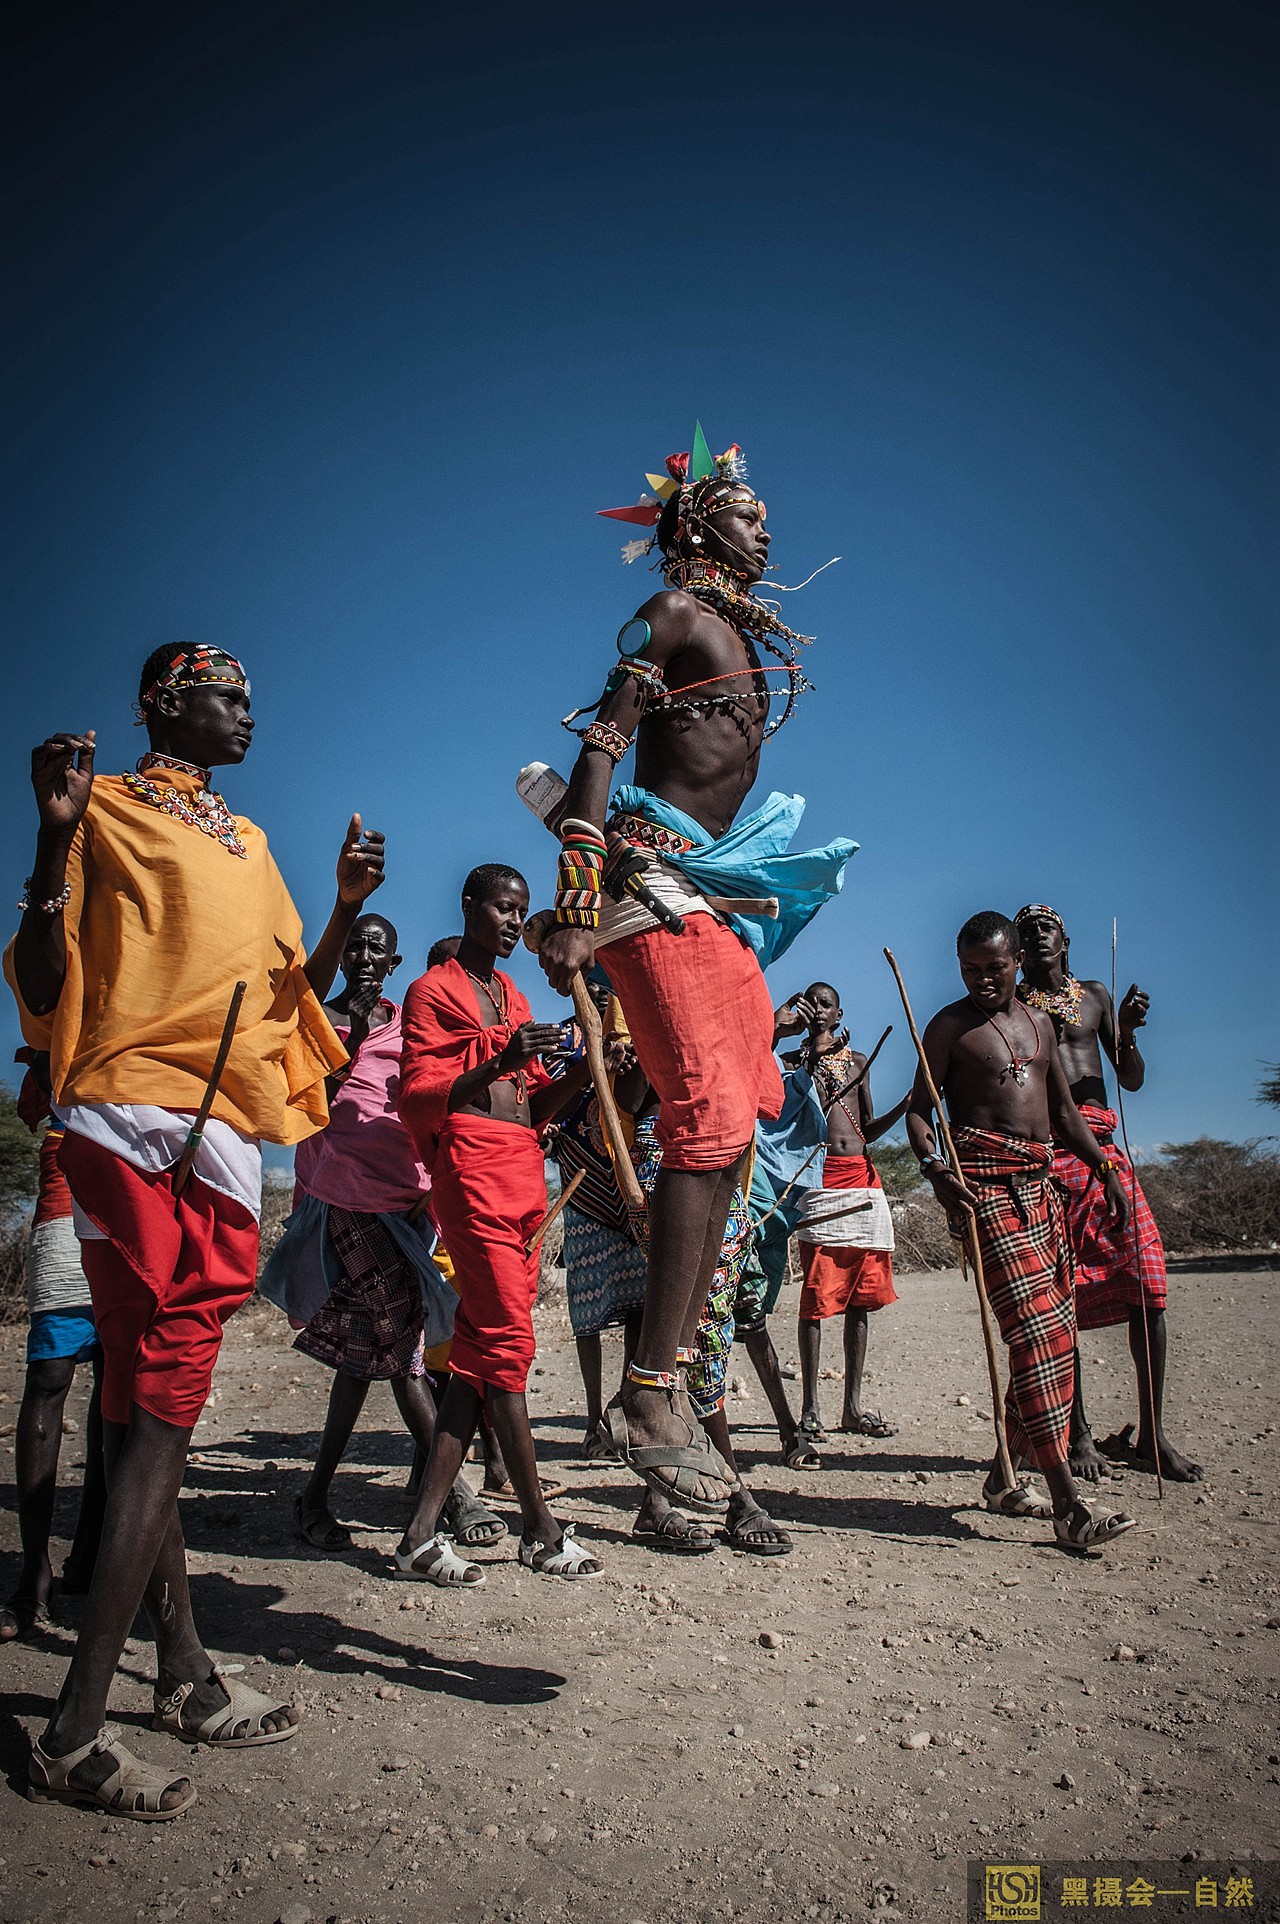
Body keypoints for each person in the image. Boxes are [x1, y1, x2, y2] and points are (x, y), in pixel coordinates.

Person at [5, 641, 382, 1819]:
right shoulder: (104, 808)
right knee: (158, 1408)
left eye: (254, 698)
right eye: (228, 696)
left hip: (219, 1127)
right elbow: (37, 972)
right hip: (131, 1116)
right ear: (164, 705)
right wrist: (54, 836)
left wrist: (343, 908)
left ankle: (181, 1669)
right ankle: (72, 1731)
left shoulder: (252, 842)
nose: (249, 714)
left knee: (139, 1409)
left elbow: (286, 994)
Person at [538, 427, 855, 1513]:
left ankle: (670, 1385)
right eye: (747, 510)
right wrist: (579, 896)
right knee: (707, 1121)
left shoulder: (731, 632)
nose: (767, 526)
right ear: (690, 525)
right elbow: (603, 742)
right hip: (648, 881)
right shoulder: (673, 616)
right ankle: (644, 1392)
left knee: (746, 1119)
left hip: (712, 897)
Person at [258, 913, 505, 1554]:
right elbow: (291, 1102)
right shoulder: (319, 1023)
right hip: (344, 1201)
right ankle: (455, 1498)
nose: (367, 956)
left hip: (408, 1207)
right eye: (358, 945)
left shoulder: (407, 1026)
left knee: (362, 1360)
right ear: (344, 957)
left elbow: (432, 1096)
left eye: (380, 947)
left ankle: (313, 1498)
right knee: (403, 1345)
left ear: (395, 962)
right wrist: (338, 1059)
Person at [396, 864, 602, 1584]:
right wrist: (498, 1064)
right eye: (503, 908)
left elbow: (534, 1106)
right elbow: (420, 1094)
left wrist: (585, 1063)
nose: (515, 922)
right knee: (510, 1342)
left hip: (522, 1170)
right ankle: (540, 1529)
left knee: (480, 1358)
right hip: (470, 1171)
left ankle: (419, 1534)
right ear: (470, 907)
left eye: (522, 911)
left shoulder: (512, 995)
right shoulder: (432, 991)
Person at [905, 911, 1137, 1552]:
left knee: (1056, 1334)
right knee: (1035, 1334)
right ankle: (1068, 1501)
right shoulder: (950, 1028)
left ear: (1015, 964)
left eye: (995, 967)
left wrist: (1103, 1166)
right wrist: (935, 1170)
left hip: (1044, 1188)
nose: (983, 979)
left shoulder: (1038, 1023)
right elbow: (920, 1114)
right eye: (971, 969)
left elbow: (1063, 1112)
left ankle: (1003, 1477)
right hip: (984, 1191)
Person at [1015, 904, 1201, 1482]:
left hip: (1107, 1156)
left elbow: (1131, 1076)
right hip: (1053, 1157)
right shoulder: (1015, 1007)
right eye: (1026, 932)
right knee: (1061, 1298)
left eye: (1045, 928)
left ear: (1065, 941)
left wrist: (1130, 1028)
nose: (1036, 936)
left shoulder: (1094, 995)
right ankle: (1080, 1434)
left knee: (1147, 1285)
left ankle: (1153, 1434)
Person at [0, 1050, 106, 1641]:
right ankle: (31, 1572)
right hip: (70, 1191)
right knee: (49, 1375)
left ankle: (88, 1559)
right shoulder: (67, 993)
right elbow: (39, 1092)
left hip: (143, 1181)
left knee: (115, 1391)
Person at [783, 983, 908, 1441]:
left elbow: (868, 1129)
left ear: (839, 1014)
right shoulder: (794, 1066)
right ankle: (811, 1408)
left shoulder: (858, 1064)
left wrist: (910, 1102)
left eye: (826, 1003)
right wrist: (784, 1028)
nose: (817, 1008)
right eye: (810, 1000)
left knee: (861, 1300)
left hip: (862, 1180)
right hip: (819, 1181)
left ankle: (852, 1407)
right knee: (816, 1299)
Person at [543, 983, 646, 1459]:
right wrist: (593, 1071)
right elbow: (550, 1109)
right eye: (594, 982)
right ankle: (590, 1420)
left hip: (633, 1187)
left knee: (639, 1310)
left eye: (612, 982)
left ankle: (628, 1412)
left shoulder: (639, 1037)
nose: (605, 991)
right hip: (583, 1191)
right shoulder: (562, 1041)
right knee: (587, 1312)